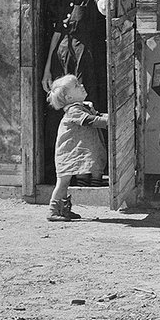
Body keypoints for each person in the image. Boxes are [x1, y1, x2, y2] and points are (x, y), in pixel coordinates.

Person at [42, 0, 108, 112]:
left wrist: (103, 4)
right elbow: (58, 33)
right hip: (62, 62)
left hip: (86, 63)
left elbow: (101, 2)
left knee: (85, 108)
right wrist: (47, 69)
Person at [45, 75, 108, 222]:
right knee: (62, 182)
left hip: (70, 152)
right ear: (69, 97)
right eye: (77, 85)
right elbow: (91, 121)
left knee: (64, 182)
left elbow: (97, 115)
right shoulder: (74, 111)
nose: (82, 85)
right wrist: (110, 121)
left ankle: (63, 210)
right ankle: (53, 211)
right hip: (67, 154)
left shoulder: (81, 107)